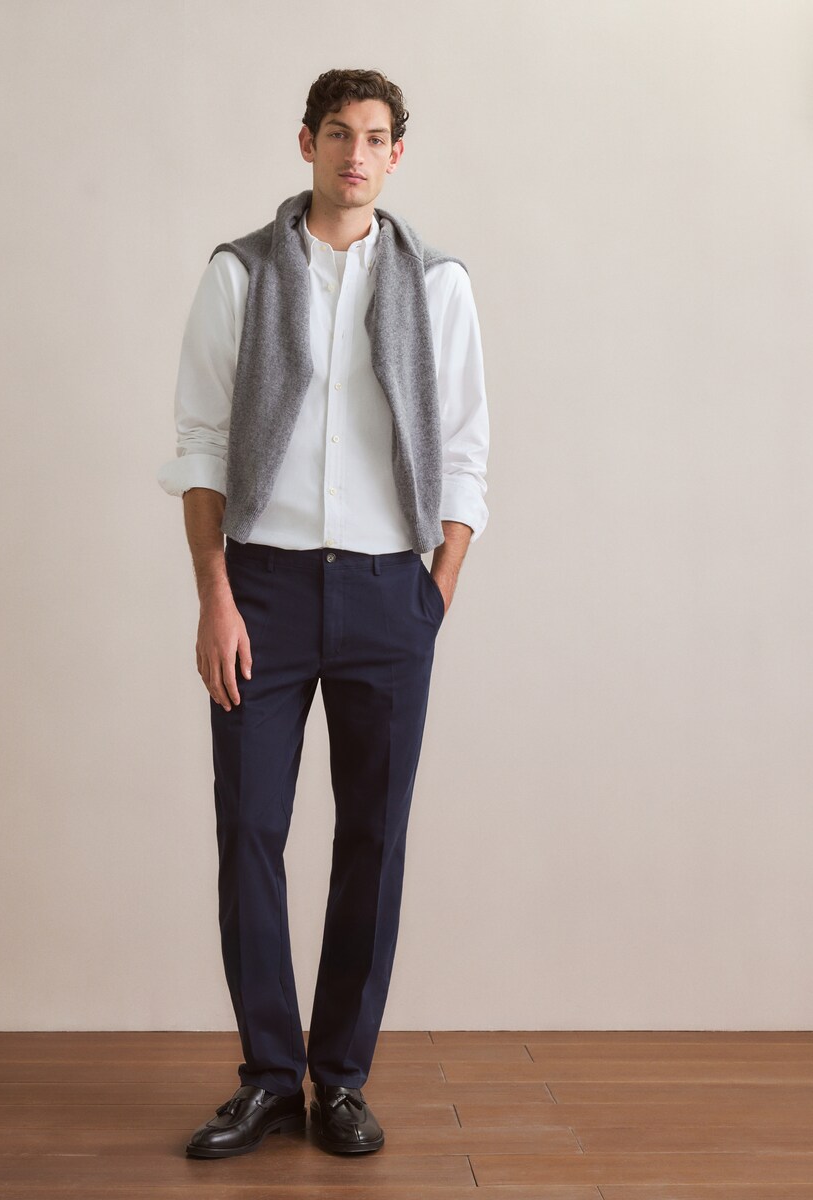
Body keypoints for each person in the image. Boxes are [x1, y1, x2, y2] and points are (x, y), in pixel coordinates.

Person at [158, 67, 489, 1159]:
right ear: (306, 142)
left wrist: (433, 592)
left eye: (375, 136)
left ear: (396, 155)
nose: (356, 152)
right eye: (338, 132)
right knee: (249, 831)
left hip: (391, 593)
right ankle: (267, 1077)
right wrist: (215, 595)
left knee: (373, 840)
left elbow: (464, 453)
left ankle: (339, 1080)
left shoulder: (436, 283)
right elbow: (202, 444)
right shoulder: (241, 273)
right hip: (262, 586)